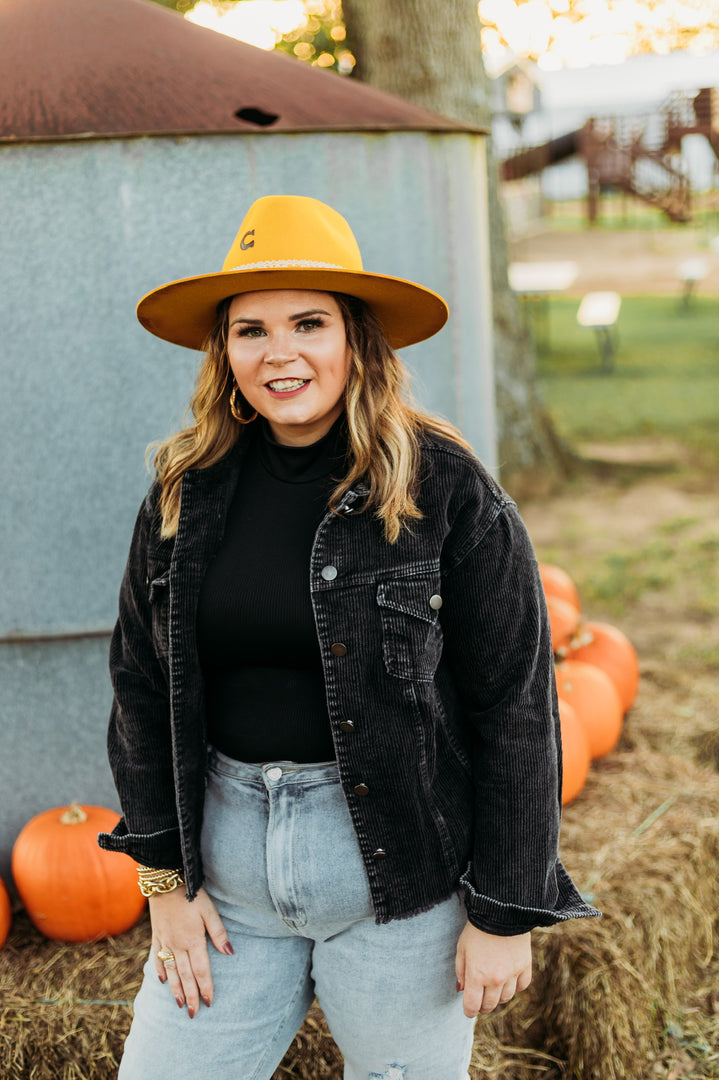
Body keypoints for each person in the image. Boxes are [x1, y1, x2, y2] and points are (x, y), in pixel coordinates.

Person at [99, 195, 599, 1080]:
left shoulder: (446, 492)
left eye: (308, 322)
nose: (278, 352)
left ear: (358, 340)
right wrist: (162, 885)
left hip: (401, 889)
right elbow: (141, 689)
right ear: (224, 352)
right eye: (249, 329)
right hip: (230, 893)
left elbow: (517, 708)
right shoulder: (185, 491)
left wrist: (506, 911)